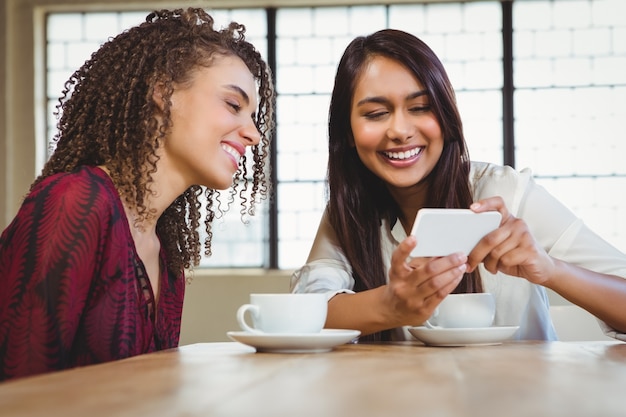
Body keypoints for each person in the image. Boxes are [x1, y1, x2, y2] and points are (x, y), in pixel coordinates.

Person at [291, 28, 626, 342]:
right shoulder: (348, 212)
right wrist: (390, 305)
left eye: (420, 107)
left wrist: (551, 270)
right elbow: (306, 311)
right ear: (347, 133)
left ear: (446, 115)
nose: (400, 130)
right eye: (376, 113)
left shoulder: (506, 192)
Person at [0, 7, 274, 380]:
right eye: (232, 105)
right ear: (163, 92)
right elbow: (17, 391)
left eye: (254, 117)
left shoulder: (167, 253)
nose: (253, 134)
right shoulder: (75, 201)